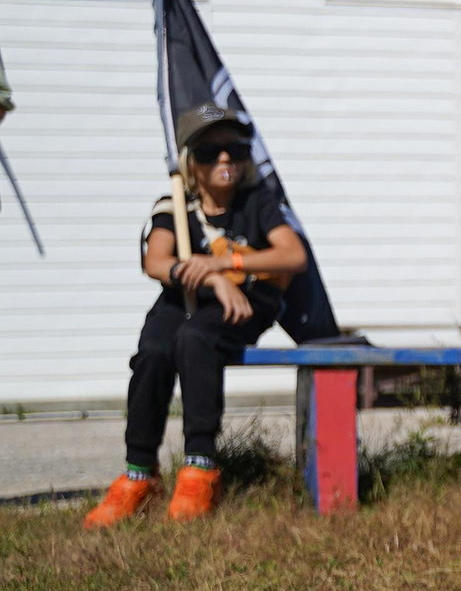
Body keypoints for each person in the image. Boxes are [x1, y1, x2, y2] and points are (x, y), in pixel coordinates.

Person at [85, 104, 309, 527]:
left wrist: (225, 267)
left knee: (195, 341)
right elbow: (156, 262)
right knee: (153, 350)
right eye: (210, 152)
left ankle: (200, 467)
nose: (225, 159)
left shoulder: (258, 202)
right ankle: (139, 474)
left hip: (244, 302)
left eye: (235, 150)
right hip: (184, 298)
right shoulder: (173, 205)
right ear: (191, 161)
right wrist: (209, 280)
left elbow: (293, 256)